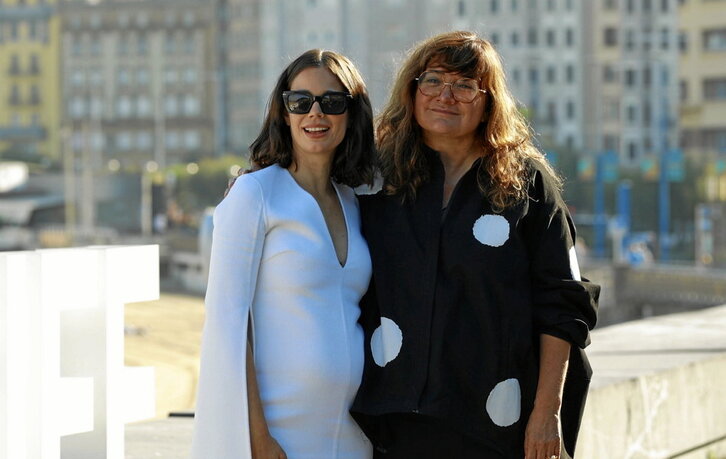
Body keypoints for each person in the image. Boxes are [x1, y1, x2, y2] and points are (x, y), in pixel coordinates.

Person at [350, 31, 599, 459]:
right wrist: (257, 179)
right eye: (433, 80)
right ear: (412, 90)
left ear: (489, 102)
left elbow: (563, 306)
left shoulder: (527, 184)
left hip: (497, 425)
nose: (446, 95)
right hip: (396, 421)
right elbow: (307, 177)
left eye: (465, 85)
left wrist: (546, 414)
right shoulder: (375, 178)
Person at [191, 49, 377, 459]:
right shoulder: (254, 194)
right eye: (301, 101)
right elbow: (228, 323)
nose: (316, 114)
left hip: (351, 434)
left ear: (351, 112)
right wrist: (257, 438)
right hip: (280, 434)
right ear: (284, 110)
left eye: (332, 102)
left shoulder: (353, 201)